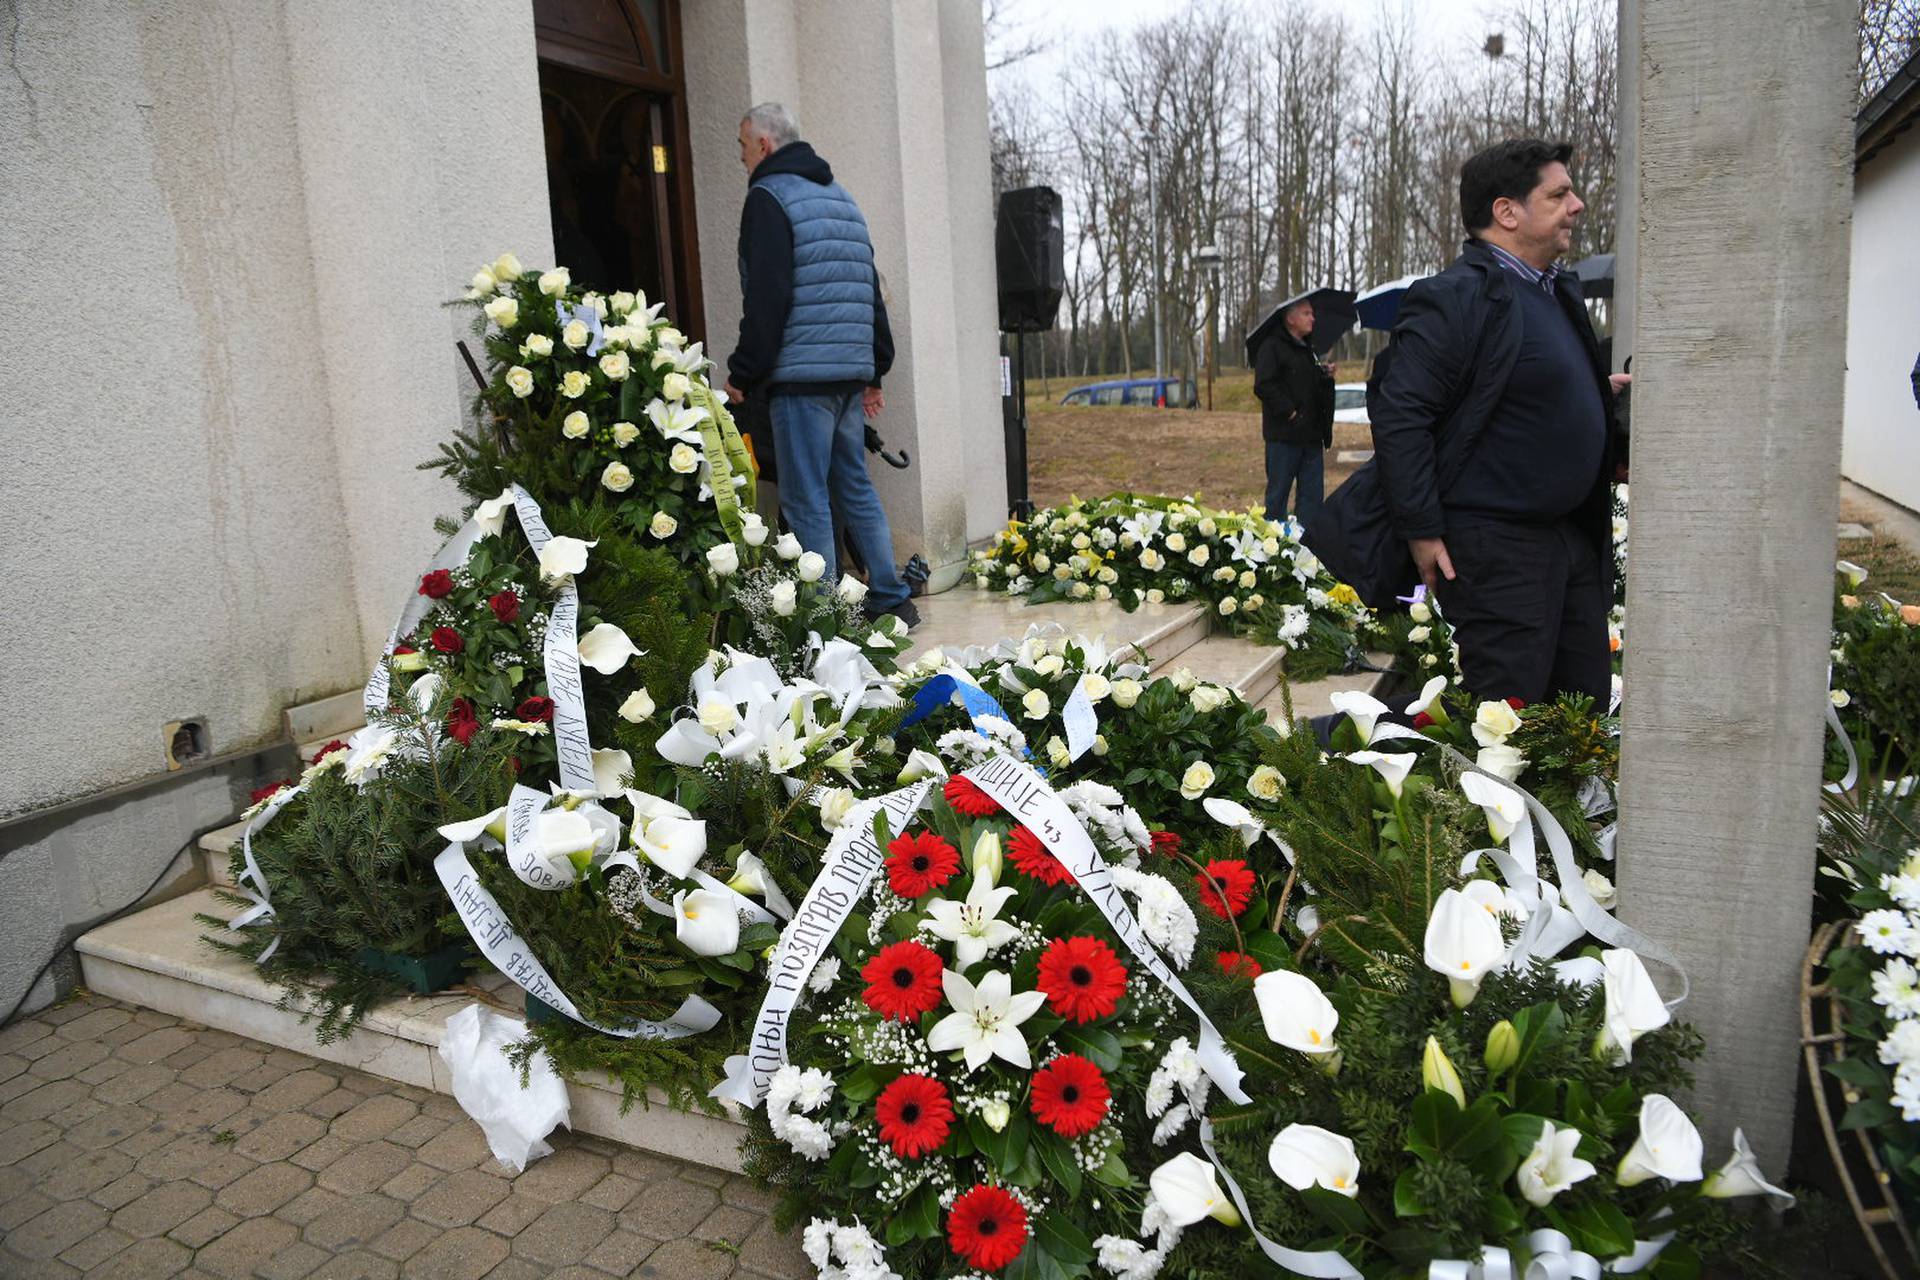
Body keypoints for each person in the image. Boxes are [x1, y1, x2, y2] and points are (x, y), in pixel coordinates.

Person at [1369, 138, 1630, 705]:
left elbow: (1518, 383)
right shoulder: (1457, 296)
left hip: (1571, 540)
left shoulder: (1557, 291)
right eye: (1558, 193)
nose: (1577, 204)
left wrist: (1592, 396)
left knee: (1578, 709)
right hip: (1499, 550)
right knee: (1509, 722)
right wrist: (1421, 528)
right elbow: (1401, 414)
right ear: (1506, 212)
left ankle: (1566, 798)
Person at [723, 102, 918, 629]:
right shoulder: (843, 199)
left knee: (806, 495)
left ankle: (825, 617)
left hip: (801, 378)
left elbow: (767, 295)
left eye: (742, 147)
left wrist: (744, 371)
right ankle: (891, 594)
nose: (741, 159)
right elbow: (868, 292)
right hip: (846, 376)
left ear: (763, 144)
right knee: (853, 485)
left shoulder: (768, 198)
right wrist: (874, 369)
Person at [1253, 298, 1335, 525]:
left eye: (1312, 313)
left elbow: (1310, 387)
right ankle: (1274, 549)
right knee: (1278, 498)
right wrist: (1290, 412)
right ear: (1290, 318)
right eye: (1306, 313)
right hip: (1284, 437)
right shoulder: (1272, 346)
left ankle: (1307, 547)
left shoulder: (1310, 349)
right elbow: (1264, 385)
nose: (1313, 318)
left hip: (1311, 437)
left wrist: (1325, 375)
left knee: (1312, 499)